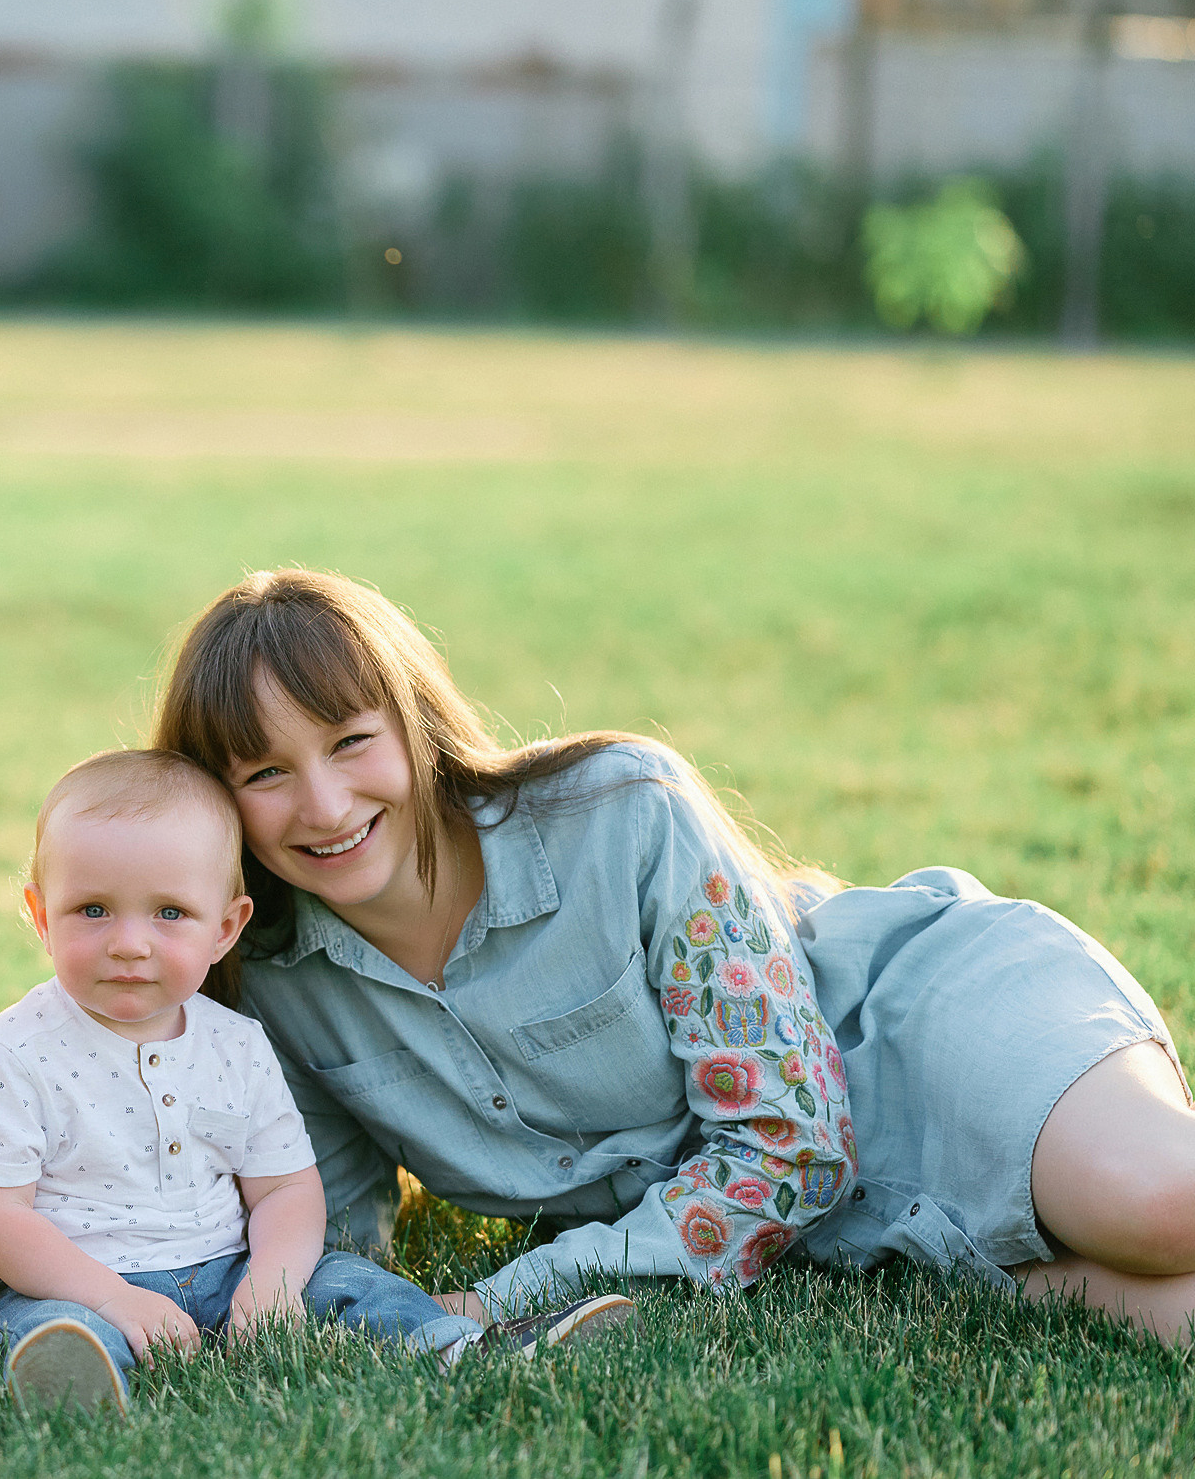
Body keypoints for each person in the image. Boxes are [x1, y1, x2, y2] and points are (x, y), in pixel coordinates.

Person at [147, 567, 1195, 1344]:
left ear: (415, 725)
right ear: (216, 801)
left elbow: (793, 1142)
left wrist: (505, 1295)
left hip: (915, 1025)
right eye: (265, 772)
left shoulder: (621, 813)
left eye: (349, 743)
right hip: (839, 1237)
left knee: (1161, 1207)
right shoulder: (275, 984)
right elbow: (324, 1225)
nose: (325, 806)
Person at [0, 749, 632, 1413]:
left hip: (229, 1267)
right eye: (92, 909)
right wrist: (114, 1299)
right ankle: (78, 1379)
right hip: (73, 1276)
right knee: (45, 1320)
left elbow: (285, 1187)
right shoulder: (14, 1053)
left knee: (347, 1281)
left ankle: (457, 1345)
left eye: (170, 912)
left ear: (226, 928)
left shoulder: (236, 1044)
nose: (129, 942)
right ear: (38, 914)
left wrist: (269, 1281)